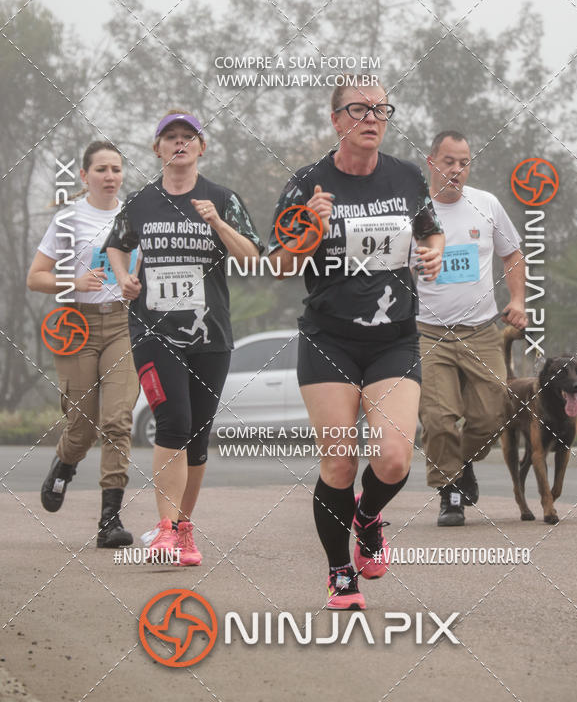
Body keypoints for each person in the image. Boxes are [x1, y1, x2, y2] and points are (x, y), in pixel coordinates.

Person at [268, 78, 444, 609]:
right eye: (359, 109)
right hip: (330, 340)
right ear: (336, 120)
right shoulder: (307, 184)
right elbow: (278, 265)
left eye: (381, 109)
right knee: (340, 463)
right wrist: (309, 230)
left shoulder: (407, 176)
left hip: (393, 338)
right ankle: (339, 571)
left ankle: (367, 518)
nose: (372, 117)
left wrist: (431, 253)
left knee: (393, 458)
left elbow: (429, 231)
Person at [104, 111, 262, 566]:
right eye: (169, 137)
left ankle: (184, 528)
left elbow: (252, 257)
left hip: (210, 334)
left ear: (201, 147)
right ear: (156, 149)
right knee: (172, 421)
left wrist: (217, 223)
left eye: (187, 137)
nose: (179, 144)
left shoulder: (221, 199)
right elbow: (118, 243)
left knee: (197, 435)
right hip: (153, 330)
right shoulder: (140, 201)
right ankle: (166, 532)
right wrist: (123, 278)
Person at [27, 140, 138, 547]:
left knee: (117, 420)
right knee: (84, 426)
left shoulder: (135, 215)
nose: (110, 177)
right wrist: (71, 282)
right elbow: (35, 277)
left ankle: (110, 519)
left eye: (117, 169)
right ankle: (65, 462)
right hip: (79, 325)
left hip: (125, 324)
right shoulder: (69, 219)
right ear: (84, 175)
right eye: (102, 169)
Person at [416, 130, 527, 527]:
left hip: (481, 331)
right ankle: (451, 493)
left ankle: (458, 465)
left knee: (493, 413)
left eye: (464, 163)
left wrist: (517, 301)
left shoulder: (487, 205)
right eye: (449, 161)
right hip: (429, 334)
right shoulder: (415, 210)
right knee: (438, 419)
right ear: (432, 162)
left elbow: (512, 253)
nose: (457, 170)